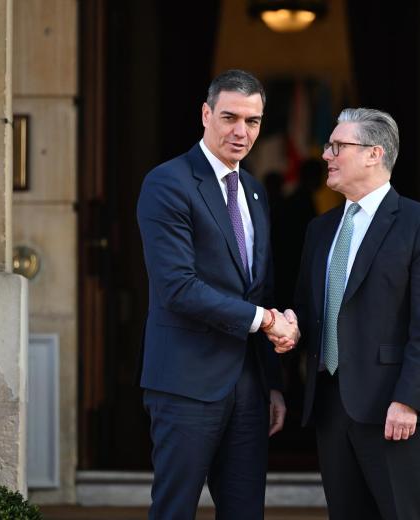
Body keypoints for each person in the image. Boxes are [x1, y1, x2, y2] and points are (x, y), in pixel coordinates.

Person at [273, 108, 420, 519]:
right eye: (328, 146)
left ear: (375, 153)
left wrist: (408, 400)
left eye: (338, 146)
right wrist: (289, 326)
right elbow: (307, 307)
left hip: (395, 407)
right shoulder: (320, 229)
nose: (326, 155)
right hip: (331, 406)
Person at [136, 69, 299, 520]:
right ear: (206, 114)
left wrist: (271, 384)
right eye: (230, 117)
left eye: (253, 121)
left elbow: (261, 288)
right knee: (174, 510)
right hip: (185, 382)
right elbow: (178, 288)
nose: (241, 131)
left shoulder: (255, 192)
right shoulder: (168, 182)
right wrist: (267, 321)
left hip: (248, 387)